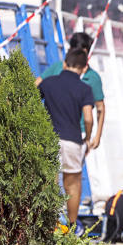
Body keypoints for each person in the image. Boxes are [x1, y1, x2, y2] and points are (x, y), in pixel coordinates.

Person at [37, 32, 104, 212]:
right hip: (75, 138)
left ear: (65, 63)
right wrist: (90, 137)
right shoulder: (85, 87)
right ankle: (71, 228)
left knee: (49, 182)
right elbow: (90, 116)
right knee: (72, 183)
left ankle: (47, 226)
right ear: (83, 67)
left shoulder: (51, 80)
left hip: (49, 136)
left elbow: (32, 92)